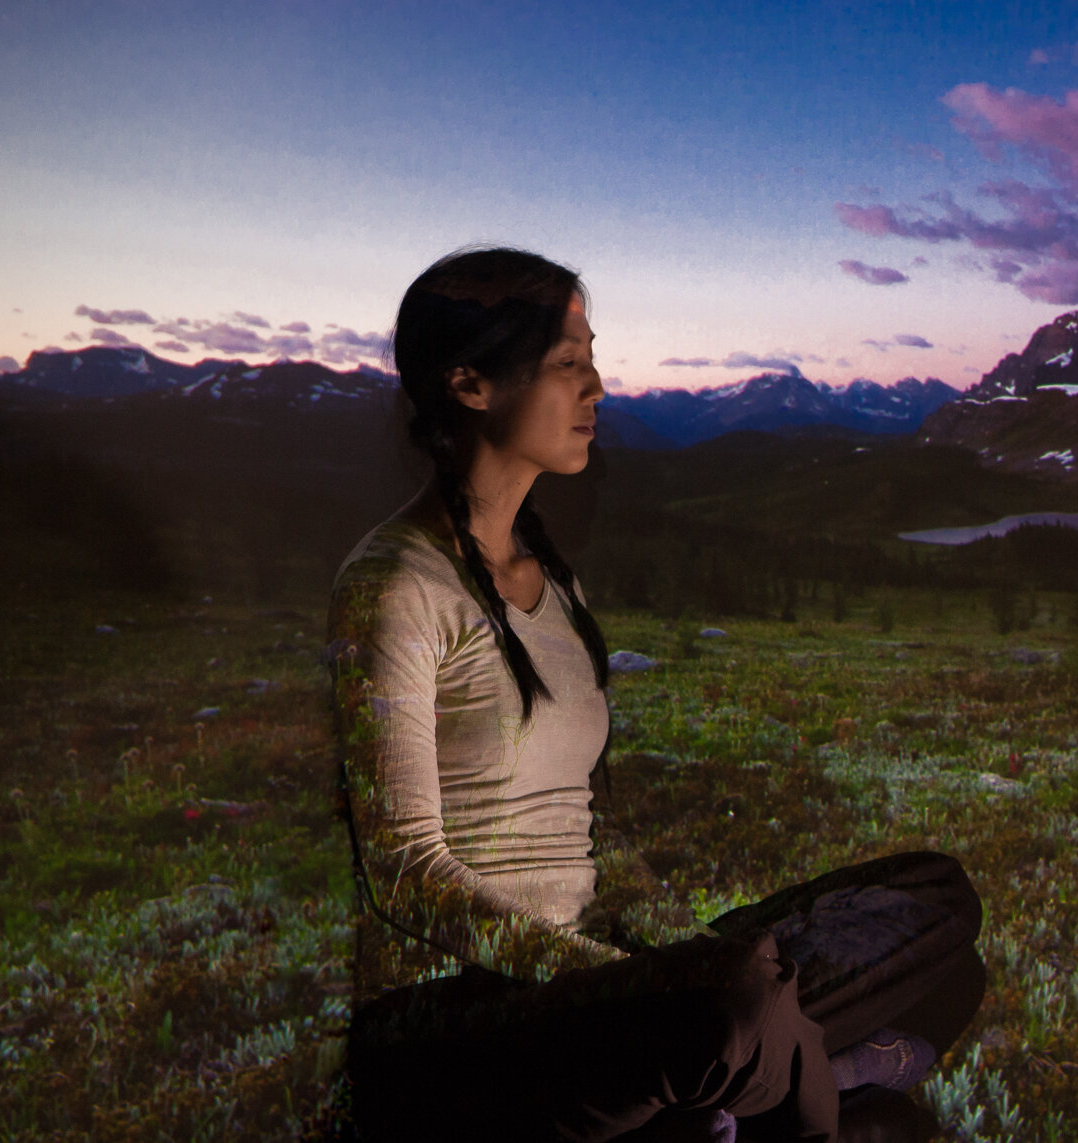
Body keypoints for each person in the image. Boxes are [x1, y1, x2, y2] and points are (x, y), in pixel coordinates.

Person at [323, 246, 985, 1143]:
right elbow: (408, 874)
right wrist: (621, 979)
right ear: (471, 383)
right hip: (455, 1016)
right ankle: (784, 1085)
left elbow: (585, 836)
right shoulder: (395, 583)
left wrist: (666, 959)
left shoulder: (554, 584)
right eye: (567, 361)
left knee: (930, 899)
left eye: (592, 356)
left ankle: (733, 1084)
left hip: (601, 987)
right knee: (732, 1002)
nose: (596, 384)